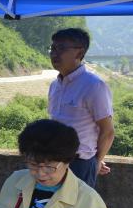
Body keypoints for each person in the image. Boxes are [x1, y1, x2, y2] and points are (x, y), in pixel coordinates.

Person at [48, 27, 114, 188]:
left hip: (79, 164)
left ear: (79, 53)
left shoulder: (93, 86)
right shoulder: (55, 85)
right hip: (53, 160)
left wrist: (95, 161)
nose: (54, 53)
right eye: (53, 48)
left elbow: (108, 131)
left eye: (61, 48)